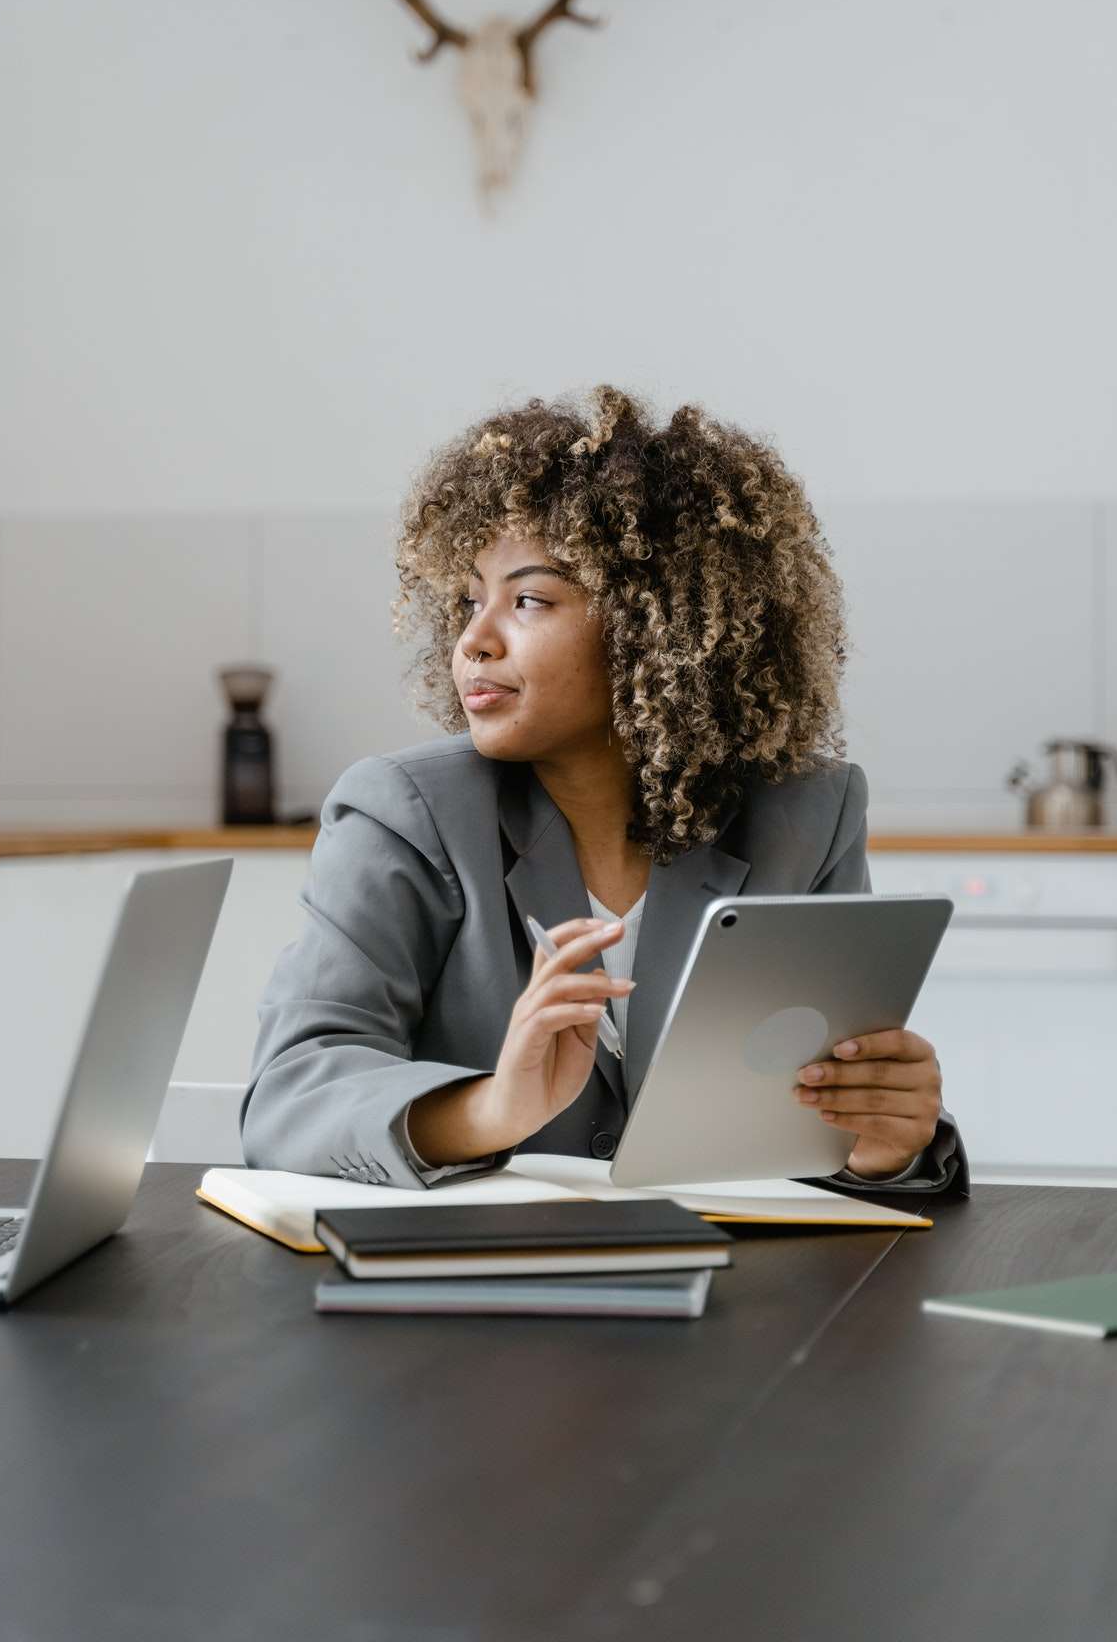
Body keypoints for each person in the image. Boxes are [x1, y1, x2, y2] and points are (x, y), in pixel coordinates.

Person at [240, 385, 968, 1198]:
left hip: (730, 1296)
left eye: (528, 599)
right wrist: (487, 1110)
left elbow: (816, 1121)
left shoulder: (807, 816)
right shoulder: (403, 813)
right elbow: (292, 1092)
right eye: (467, 600)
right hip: (476, 1297)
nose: (473, 640)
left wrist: (882, 1144)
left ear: (656, 625)